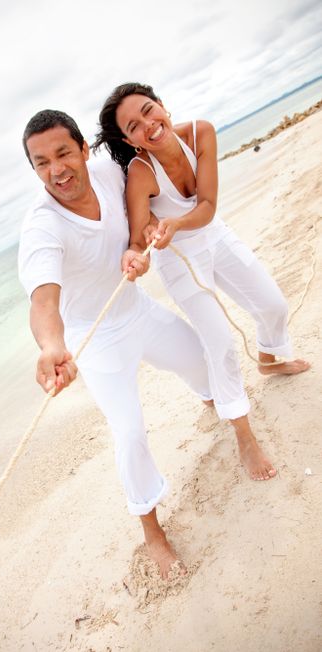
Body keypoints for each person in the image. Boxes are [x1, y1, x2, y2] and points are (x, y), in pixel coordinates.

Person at [18, 109, 214, 578]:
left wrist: (146, 233)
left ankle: (218, 410)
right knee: (129, 433)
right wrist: (50, 347)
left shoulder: (110, 171)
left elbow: (156, 161)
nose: (57, 169)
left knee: (202, 364)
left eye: (63, 153)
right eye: (42, 162)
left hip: (136, 308)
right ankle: (152, 532)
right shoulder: (41, 228)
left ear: (84, 149)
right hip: (95, 337)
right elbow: (44, 301)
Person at [93, 82, 310, 483]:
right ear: (129, 140)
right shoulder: (140, 174)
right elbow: (138, 234)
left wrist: (174, 222)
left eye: (148, 110)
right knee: (221, 344)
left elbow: (208, 206)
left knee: (273, 306)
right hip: (178, 262)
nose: (148, 125)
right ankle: (243, 433)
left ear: (162, 105)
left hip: (215, 236)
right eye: (134, 125)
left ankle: (269, 358)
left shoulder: (201, 133)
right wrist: (139, 246)